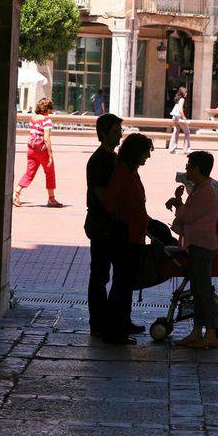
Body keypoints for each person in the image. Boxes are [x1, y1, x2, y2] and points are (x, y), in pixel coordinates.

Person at [102, 133, 154, 344]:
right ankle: (115, 331)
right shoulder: (122, 172)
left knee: (126, 282)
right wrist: (123, 218)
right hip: (125, 237)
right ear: (136, 153)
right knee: (121, 285)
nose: (148, 156)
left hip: (135, 236)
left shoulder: (131, 172)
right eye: (146, 152)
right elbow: (109, 201)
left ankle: (124, 322)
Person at [167, 151, 218, 349]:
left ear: (198, 168)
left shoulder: (206, 191)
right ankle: (197, 331)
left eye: (189, 165)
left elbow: (188, 216)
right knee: (198, 291)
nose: (186, 168)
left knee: (204, 290)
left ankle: (212, 333)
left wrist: (178, 202)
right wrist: (179, 202)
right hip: (196, 244)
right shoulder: (200, 188)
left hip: (202, 245)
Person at [84, 113, 123, 338]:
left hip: (110, 224)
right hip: (102, 225)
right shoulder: (99, 160)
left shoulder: (113, 158)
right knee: (99, 274)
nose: (120, 134)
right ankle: (98, 322)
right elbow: (101, 194)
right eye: (116, 131)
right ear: (104, 133)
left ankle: (110, 318)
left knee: (107, 274)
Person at [13, 97, 63, 208]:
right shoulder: (46, 120)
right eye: (51, 108)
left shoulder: (33, 118)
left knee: (29, 173)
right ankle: (51, 199)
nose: (51, 111)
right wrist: (50, 154)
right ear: (48, 109)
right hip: (42, 149)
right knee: (50, 173)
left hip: (31, 149)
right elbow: (46, 138)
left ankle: (16, 194)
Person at [168, 87, 191, 154]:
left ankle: (172, 150)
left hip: (174, 117)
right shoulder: (182, 99)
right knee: (187, 132)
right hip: (178, 118)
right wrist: (184, 118)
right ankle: (186, 150)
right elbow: (180, 110)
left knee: (176, 132)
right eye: (186, 92)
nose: (187, 94)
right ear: (184, 93)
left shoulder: (178, 99)